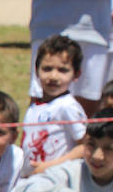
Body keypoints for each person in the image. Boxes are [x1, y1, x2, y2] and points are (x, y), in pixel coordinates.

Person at [24, 35, 88, 175]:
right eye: (47, 69)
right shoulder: (35, 106)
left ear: (76, 74)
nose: (53, 76)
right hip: (30, 180)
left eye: (62, 70)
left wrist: (49, 167)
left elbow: (85, 146)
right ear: (36, 71)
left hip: (55, 179)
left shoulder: (67, 106)